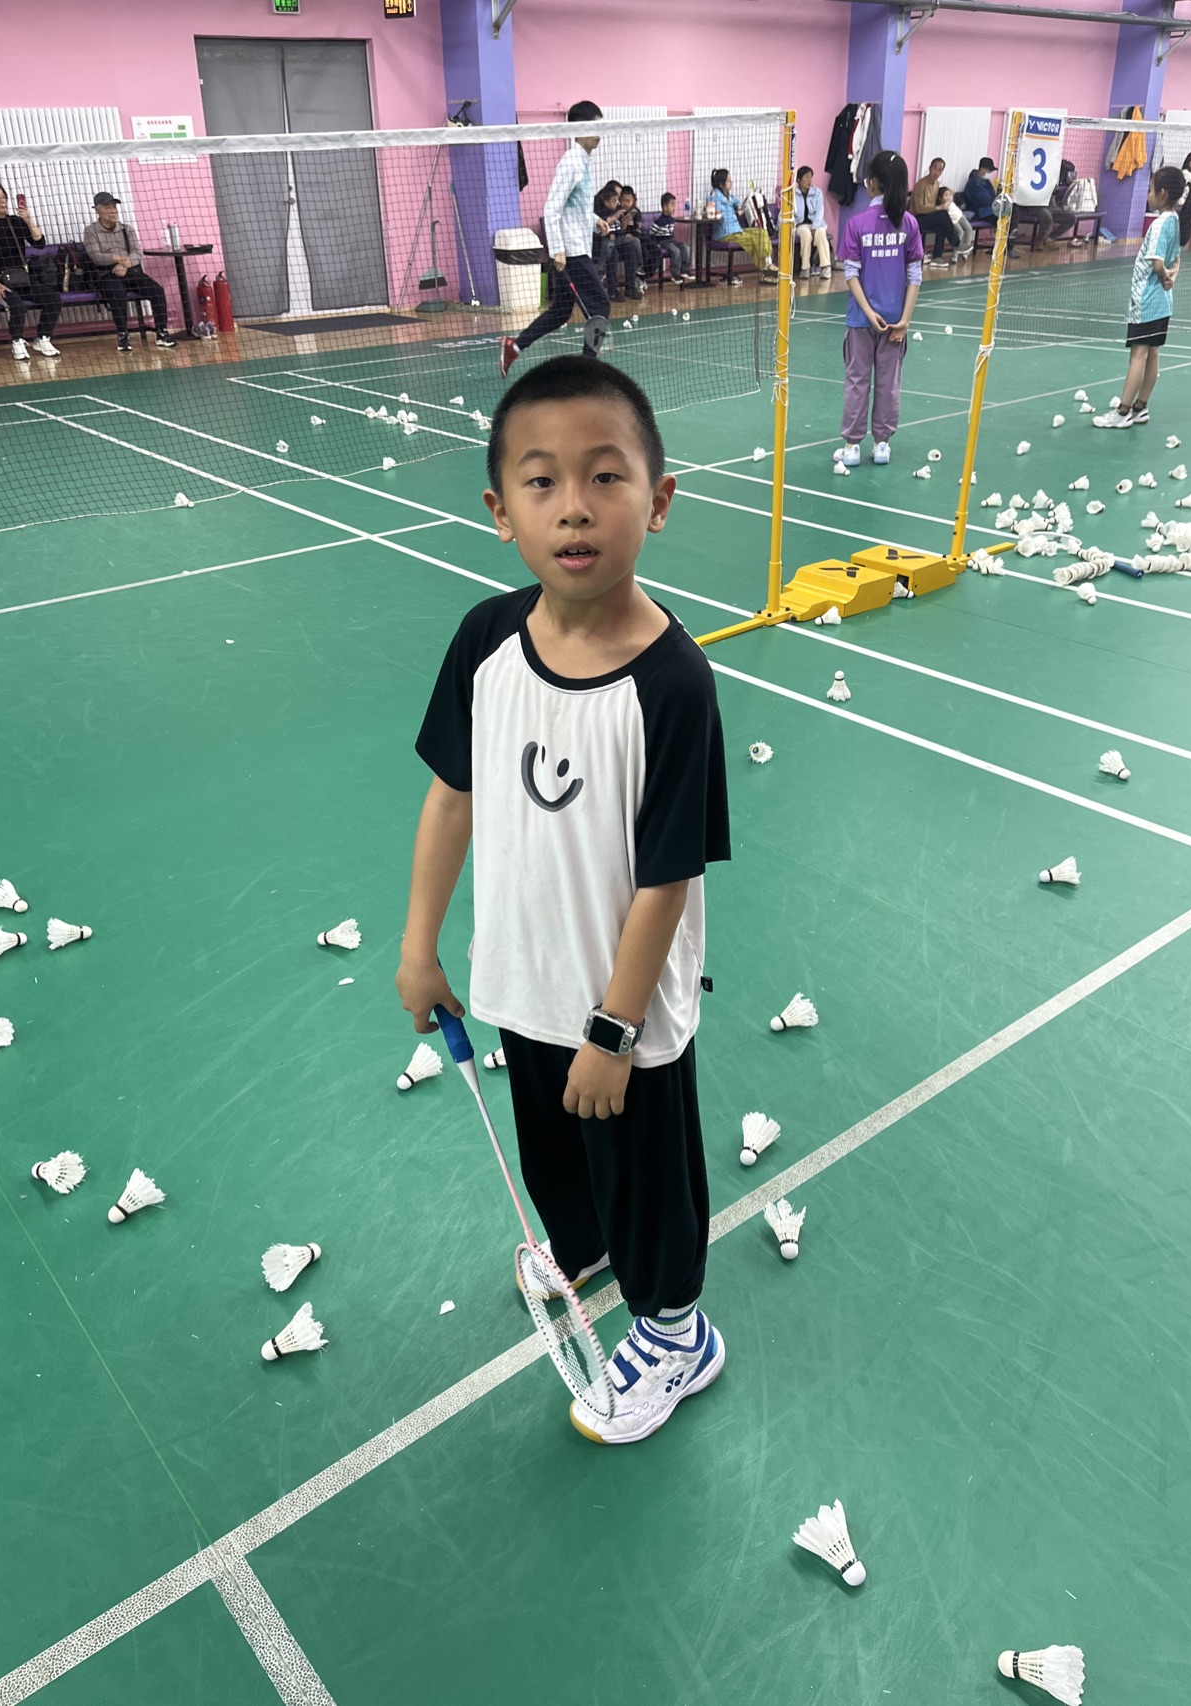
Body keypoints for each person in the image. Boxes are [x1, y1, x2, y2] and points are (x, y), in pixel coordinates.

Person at [397, 354, 730, 1445]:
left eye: (604, 476)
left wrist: (613, 1031)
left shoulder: (672, 684)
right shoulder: (484, 642)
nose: (573, 506)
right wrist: (419, 948)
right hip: (520, 984)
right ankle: (582, 1248)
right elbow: (451, 798)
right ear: (500, 513)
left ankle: (675, 1329)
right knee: (554, 1153)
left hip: (619, 1013)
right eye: (540, 481)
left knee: (646, 1180)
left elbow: (667, 879)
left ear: (658, 499)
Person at [501, 101, 612, 379]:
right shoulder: (571, 162)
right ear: (578, 129)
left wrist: (595, 220)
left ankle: (514, 346)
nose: (599, 133)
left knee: (561, 311)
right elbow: (552, 208)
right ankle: (588, 368)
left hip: (577, 246)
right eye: (595, 127)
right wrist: (557, 250)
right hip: (571, 252)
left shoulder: (583, 160)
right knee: (600, 306)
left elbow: (577, 206)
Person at [833, 150, 924, 468]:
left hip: (861, 320)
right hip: (895, 322)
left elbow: (850, 274)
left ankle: (852, 447)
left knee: (857, 381)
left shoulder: (857, 224)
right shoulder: (909, 224)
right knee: (889, 383)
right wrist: (904, 321)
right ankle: (882, 445)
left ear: (871, 183)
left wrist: (869, 313)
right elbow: (915, 275)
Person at [1091, 166, 1184, 430]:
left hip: (1147, 301)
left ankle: (1123, 412)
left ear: (1162, 193)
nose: (1147, 194)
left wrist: (1164, 274)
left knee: (1138, 355)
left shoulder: (1159, 224)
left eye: (1151, 190)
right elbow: (1176, 259)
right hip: (1163, 301)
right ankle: (1140, 408)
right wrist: (1171, 277)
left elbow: (1157, 263)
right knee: (1153, 354)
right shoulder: (1175, 220)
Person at [0, 179, 61, 361]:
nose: (2, 201)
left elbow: (39, 243)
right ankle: (17, 341)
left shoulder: (15, 222)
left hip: (22, 278)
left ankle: (43, 338)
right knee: (16, 305)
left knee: (53, 299)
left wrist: (28, 220)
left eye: (4, 196)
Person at [82, 193, 177, 352]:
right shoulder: (91, 231)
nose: (113, 211)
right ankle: (122, 335)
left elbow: (137, 253)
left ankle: (161, 332)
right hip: (107, 274)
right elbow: (96, 256)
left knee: (157, 291)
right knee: (117, 294)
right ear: (97, 210)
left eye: (114, 207)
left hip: (131, 271)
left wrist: (124, 265)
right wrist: (118, 259)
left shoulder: (127, 229)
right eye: (107, 208)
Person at [705, 169, 779, 282]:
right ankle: (766, 270)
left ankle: (768, 264)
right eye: (728, 181)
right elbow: (718, 214)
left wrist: (739, 208)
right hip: (725, 234)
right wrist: (733, 213)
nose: (731, 182)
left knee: (761, 232)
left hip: (737, 230)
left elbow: (738, 203)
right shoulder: (714, 197)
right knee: (753, 240)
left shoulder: (729, 196)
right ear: (721, 184)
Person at [909, 156, 956, 264]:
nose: (936, 172)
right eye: (935, 168)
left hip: (929, 216)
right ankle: (956, 243)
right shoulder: (921, 184)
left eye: (940, 170)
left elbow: (936, 203)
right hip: (917, 218)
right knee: (942, 215)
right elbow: (919, 209)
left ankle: (937, 256)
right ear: (930, 168)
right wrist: (938, 208)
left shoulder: (937, 184)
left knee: (941, 224)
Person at [793, 166, 831, 279]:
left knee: (821, 233)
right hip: (801, 225)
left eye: (810, 177)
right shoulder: (793, 195)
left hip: (817, 223)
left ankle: (826, 267)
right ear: (799, 180)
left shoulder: (817, 193)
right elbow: (789, 213)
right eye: (806, 177)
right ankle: (805, 268)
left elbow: (820, 211)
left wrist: (815, 227)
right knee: (805, 234)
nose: (809, 180)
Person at [645, 193, 691, 284]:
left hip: (671, 239)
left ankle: (685, 270)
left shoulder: (672, 220)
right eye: (672, 205)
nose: (674, 208)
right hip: (662, 241)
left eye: (675, 205)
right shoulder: (659, 221)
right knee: (675, 250)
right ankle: (675, 274)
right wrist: (656, 244)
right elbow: (651, 234)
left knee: (685, 246)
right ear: (665, 207)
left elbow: (670, 233)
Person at [936, 185, 974, 260]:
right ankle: (955, 254)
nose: (948, 197)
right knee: (960, 232)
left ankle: (965, 252)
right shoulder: (942, 206)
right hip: (952, 220)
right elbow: (945, 207)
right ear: (940, 198)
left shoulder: (950, 200)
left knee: (969, 229)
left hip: (960, 216)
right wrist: (948, 199)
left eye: (948, 195)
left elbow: (951, 191)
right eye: (945, 195)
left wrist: (949, 193)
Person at [963, 157, 998, 225]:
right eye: (988, 171)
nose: (990, 173)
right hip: (980, 213)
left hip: (988, 211)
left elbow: (992, 195)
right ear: (982, 169)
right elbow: (985, 200)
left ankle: (1012, 230)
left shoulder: (986, 181)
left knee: (1011, 209)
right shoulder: (973, 184)